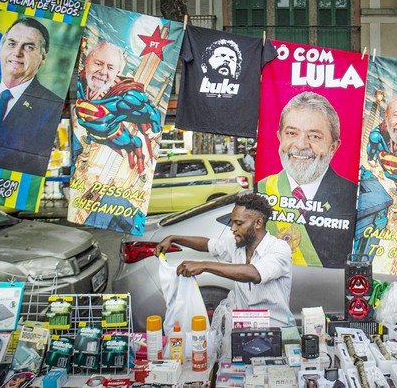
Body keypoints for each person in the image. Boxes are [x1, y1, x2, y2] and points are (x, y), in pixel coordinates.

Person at [155, 192, 294, 327]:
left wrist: (204, 265)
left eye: (239, 223)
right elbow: (208, 244)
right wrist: (174, 238)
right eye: (232, 223)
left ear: (258, 223)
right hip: (244, 330)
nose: (232, 229)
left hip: (277, 330)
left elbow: (254, 273)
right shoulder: (237, 245)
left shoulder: (279, 248)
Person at [257, 92, 358, 268]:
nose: (301, 145)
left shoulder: (353, 196)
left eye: (314, 136)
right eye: (291, 133)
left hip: (326, 291)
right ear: (280, 138)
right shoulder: (259, 192)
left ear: (333, 147)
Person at [0, 17, 63, 176]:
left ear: (42, 58)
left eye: (29, 47)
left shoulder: (51, 106)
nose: (17, 53)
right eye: (11, 44)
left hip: (13, 190)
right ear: (1, 51)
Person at [75, 40, 162, 174]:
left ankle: (139, 158)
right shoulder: (78, 83)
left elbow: (150, 111)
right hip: (91, 136)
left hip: (114, 135)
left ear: (118, 71)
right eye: (98, 63)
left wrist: (155, 127)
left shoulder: (124, 99)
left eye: (110, 68)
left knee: (133, 144)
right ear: (87, 62)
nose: (103, 71)